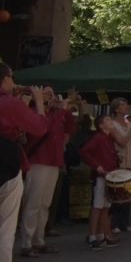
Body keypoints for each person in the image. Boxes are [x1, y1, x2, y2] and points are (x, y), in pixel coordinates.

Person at [18, 87, 75, 257]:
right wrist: (60, 111)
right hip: (38, 162)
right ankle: (26, 243)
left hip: (53, 163)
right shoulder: (34, 112)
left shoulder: (55, 114)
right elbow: (41, 130)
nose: (51, 97)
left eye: (52, 94)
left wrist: (67, 110)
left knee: (44, 205)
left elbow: (70, 129)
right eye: (47, 94)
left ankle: (39, 240)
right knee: (33, 203)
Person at [0, 64, 48, 262]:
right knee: (6, 226)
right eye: (11, 77)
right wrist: (38, 102)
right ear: (5, 79)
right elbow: (40, 127)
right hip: (6, 164)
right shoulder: (10, 103)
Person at [79, 114, 120, 250]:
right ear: (101, 125)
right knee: (97, 207)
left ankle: (101, 235)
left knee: (105, 207)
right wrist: (97, 166)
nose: (111, 121)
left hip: (109, 177)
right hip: (100, 177)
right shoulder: (98, 138)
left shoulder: (109, 138)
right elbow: (85, 152)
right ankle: (92, 237)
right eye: (107, 120)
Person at [109, 97, 131, 233]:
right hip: (119, 163)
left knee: (128, 192)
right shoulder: (112, 124)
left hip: (130, 163)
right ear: (116, 109)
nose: (126, 106)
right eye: (123, 105)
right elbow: (122, 142)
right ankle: (115, 223)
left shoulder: (129, 124)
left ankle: (125, 222)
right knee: (117, 193)